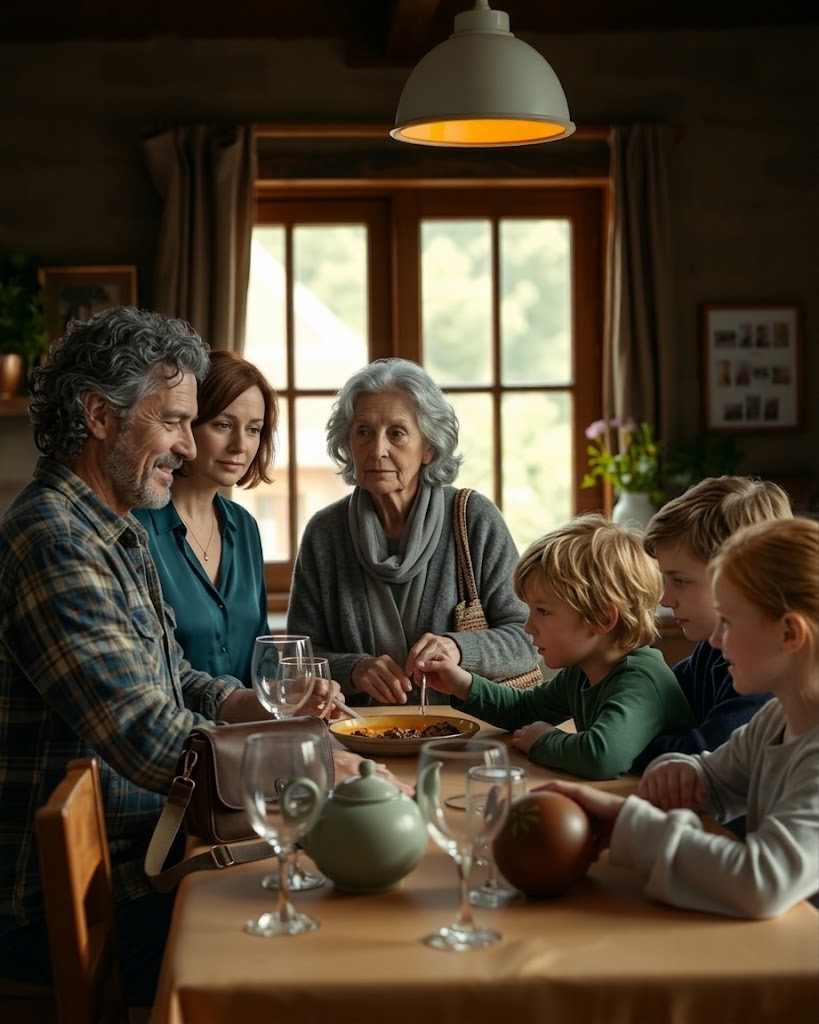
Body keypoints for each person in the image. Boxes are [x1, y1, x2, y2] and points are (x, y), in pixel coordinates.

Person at [0, 307, 395, 1005]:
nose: (188, 445)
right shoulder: (54, 540)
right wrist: (309, 762)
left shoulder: (110, 531)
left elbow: (173, 678)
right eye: (174, 420)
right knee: (317, 949)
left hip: (146, 851)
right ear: (99, 415)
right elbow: (144, 733)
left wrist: (258, 707)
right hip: (62, 903)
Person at [544, 517, 819, 919]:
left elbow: (762, 881)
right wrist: (682, 771)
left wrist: (628, 824)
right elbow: (715, 777)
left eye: (728, 622)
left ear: (789, 634)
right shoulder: (777, 719)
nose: (715, 640)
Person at [287, 357, 539, 706]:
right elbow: (298, 659)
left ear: (429, 448)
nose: (377, 450)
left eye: (397, 433)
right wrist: (354, 669)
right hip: (360, 739)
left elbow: (528, 637)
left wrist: (459, 648)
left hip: (464, 734)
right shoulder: (325, 533)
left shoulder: (473, 519)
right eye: (363, 432)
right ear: (347, 443)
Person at [417, 513, 694, 779]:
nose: (528, 627)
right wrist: (462, 684)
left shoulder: (640, 680)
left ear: (602, 619)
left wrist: (544, 741)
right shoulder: (582, 672)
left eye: (543, 611)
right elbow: (525, 711)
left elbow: (602, 756)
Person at [133, 350, 276, 684]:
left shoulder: (245, 527)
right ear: (187, 424)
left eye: (254, 429)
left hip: (249, 733)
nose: (240, 445)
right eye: (223, 425)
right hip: (178, 732)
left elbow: (263, 655)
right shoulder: (135, 527)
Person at [632, 475, 792, 772]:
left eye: (681, 581)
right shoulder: (710, 650)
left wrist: (614, 743)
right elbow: (651, 700)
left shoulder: (764, 671)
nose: (666, 600)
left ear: (744, 578)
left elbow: (701, 755)